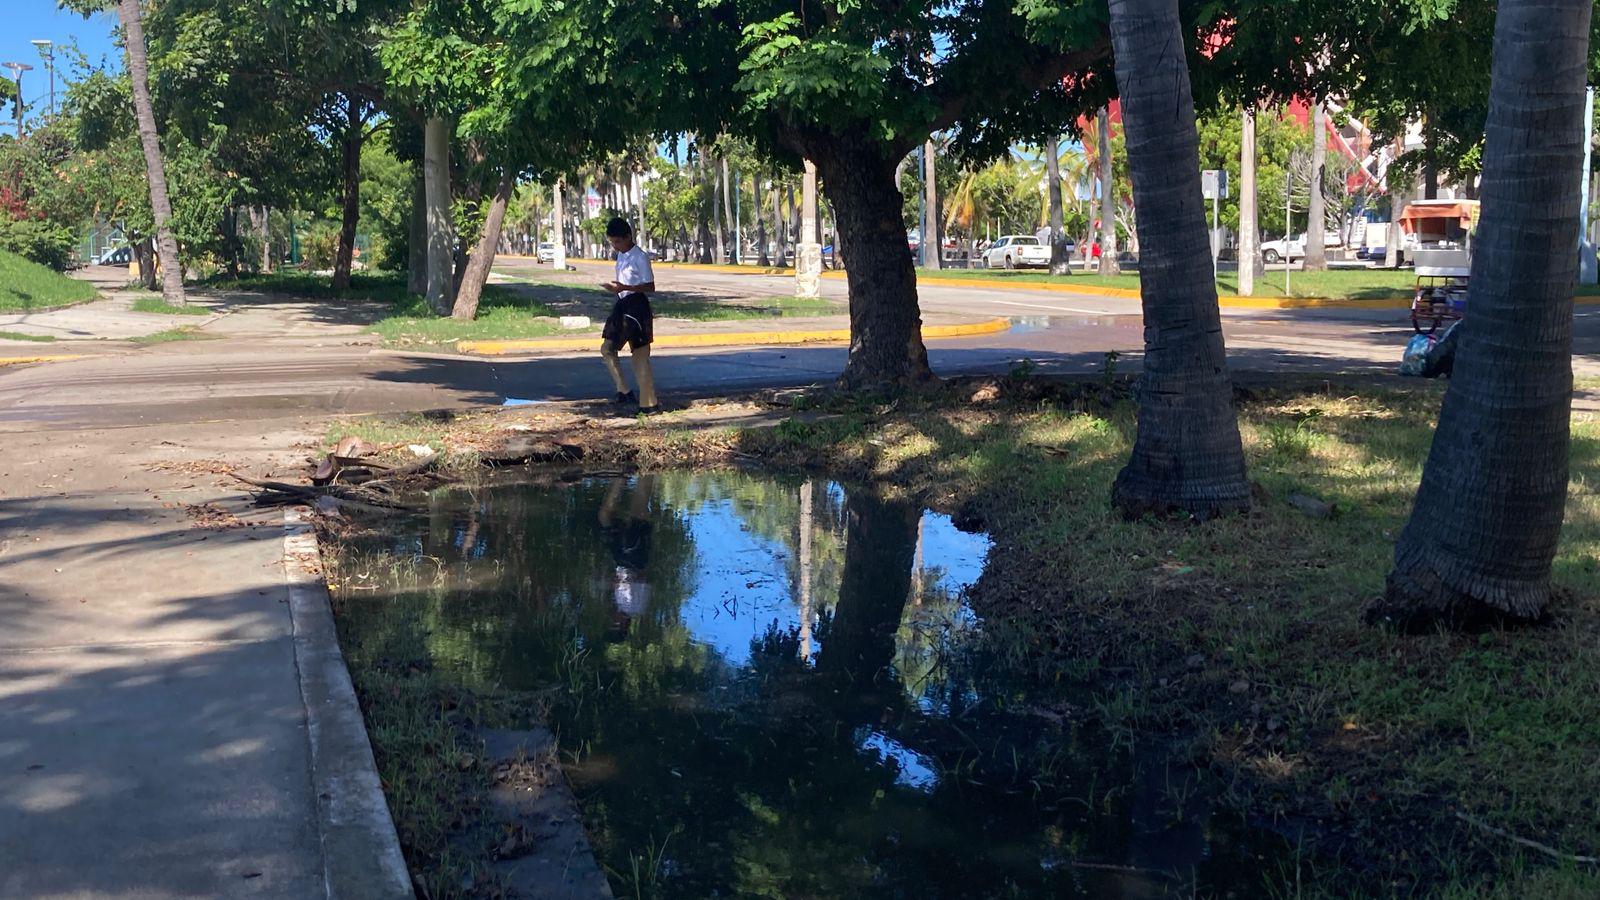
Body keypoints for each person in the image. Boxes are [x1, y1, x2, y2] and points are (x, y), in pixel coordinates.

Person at [599, 217, 660, 414]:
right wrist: (617, 289)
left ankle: (649, 404)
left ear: (628, 237)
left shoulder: (639, 257)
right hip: (622, 304)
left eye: (618, 241)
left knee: (640, 355)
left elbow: (650, 286)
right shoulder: (621, 256)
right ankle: (624, 390)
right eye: (612, 242)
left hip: (637, 306)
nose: (615, 246)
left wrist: (626, 287)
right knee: (607, 348)